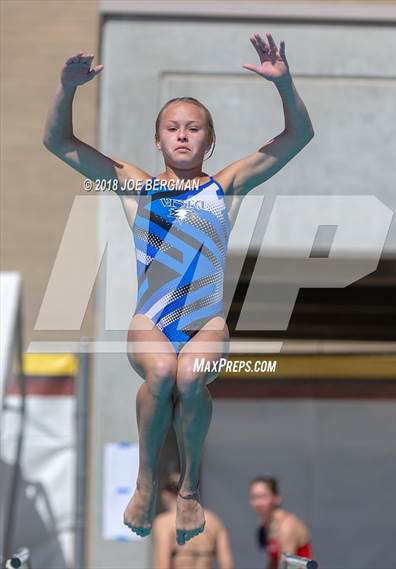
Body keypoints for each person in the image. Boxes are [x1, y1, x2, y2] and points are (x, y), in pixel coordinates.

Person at [43, 32, 314, 546]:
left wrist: (285, 85)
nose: (183, 136)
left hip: (206, 321)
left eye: (194, 129)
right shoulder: (135, 186)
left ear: (210, 141)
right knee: (164, 370)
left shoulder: (226, 186)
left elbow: (297, 137)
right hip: (151, 320)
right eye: (173, 128)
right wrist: (66, 89)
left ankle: (189, 488)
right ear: (157, 139)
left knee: (191, 376)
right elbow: (60, 144)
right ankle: (147, 479)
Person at [152, 472, 234, 568]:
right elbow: (227, 564)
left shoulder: (163, 522)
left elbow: (163, 564)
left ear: (165, 494)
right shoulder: (212, 520)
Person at [249, 476, 314, 569]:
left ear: (276, 498)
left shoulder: (286, 526)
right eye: (254, 497)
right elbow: (274, 561)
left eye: (263, 497)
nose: (258, 503)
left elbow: (289, 567)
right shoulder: (266, 524)